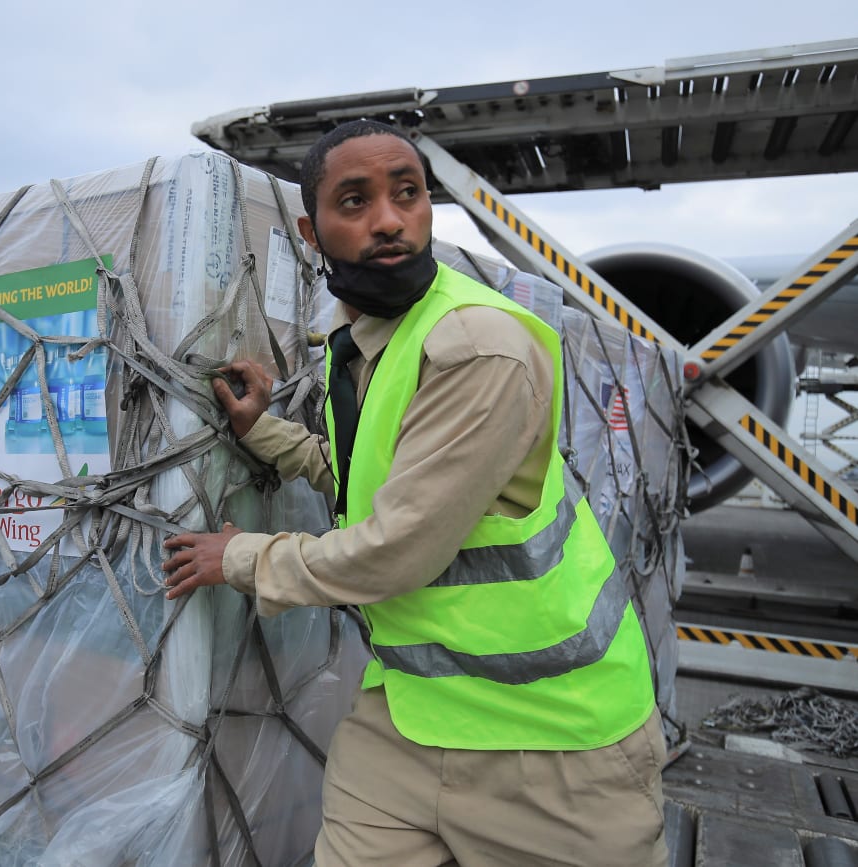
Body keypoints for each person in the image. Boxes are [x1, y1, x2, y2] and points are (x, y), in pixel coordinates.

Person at [161, 120, 667, 867]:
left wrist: (240, 556)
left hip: (554, 737)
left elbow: (399, 546)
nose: (390, 219)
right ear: (312, 230)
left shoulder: (477, 346)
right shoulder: (366, 341)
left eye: (408, 195)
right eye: (356, 201)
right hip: (411, 712)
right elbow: (359, 477)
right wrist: (262, 432)